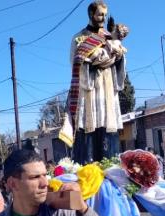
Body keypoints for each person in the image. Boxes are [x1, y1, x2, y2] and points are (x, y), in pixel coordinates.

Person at [69, 1, 127, 162]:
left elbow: (117, 59)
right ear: (91, 15)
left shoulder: (110, 36)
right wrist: (104, 55)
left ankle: (111, 164)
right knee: (89, 128)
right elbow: (77, 62)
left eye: (105, 15)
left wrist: (118, 55)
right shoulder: (80, 37)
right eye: (100, 14)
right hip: (90, 89)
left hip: (108, 87)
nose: (103, 18)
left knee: (109, 128)